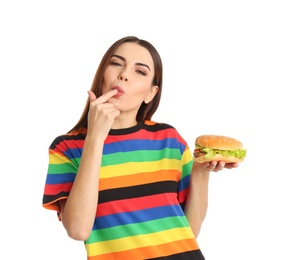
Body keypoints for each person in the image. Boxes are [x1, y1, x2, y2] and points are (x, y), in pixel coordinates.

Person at [42, 36, 238, 260]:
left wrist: (201, 172)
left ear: (150, 93)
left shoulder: (169, 139)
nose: (124, 74)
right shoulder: (67, 147)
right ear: (101, 74)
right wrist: (95, 138)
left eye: (140, 71)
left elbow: (188, 232)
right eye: (117, 63)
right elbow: (78, 230)